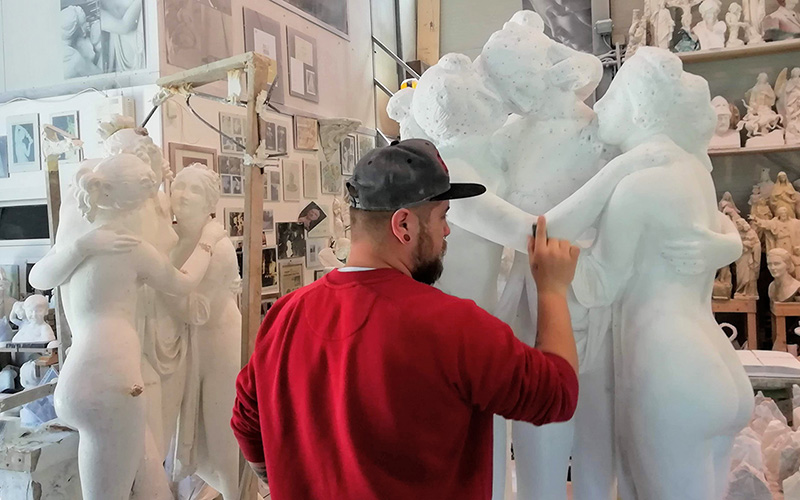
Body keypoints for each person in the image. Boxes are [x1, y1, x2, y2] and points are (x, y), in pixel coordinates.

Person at [231, 139, 580, 499]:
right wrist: (552, 289)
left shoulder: (285, 315)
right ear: (404, 225)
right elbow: (557, 394)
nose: (447, 231)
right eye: (442, 216)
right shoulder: (451, 325)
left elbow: (246, 424)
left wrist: (287, 478)